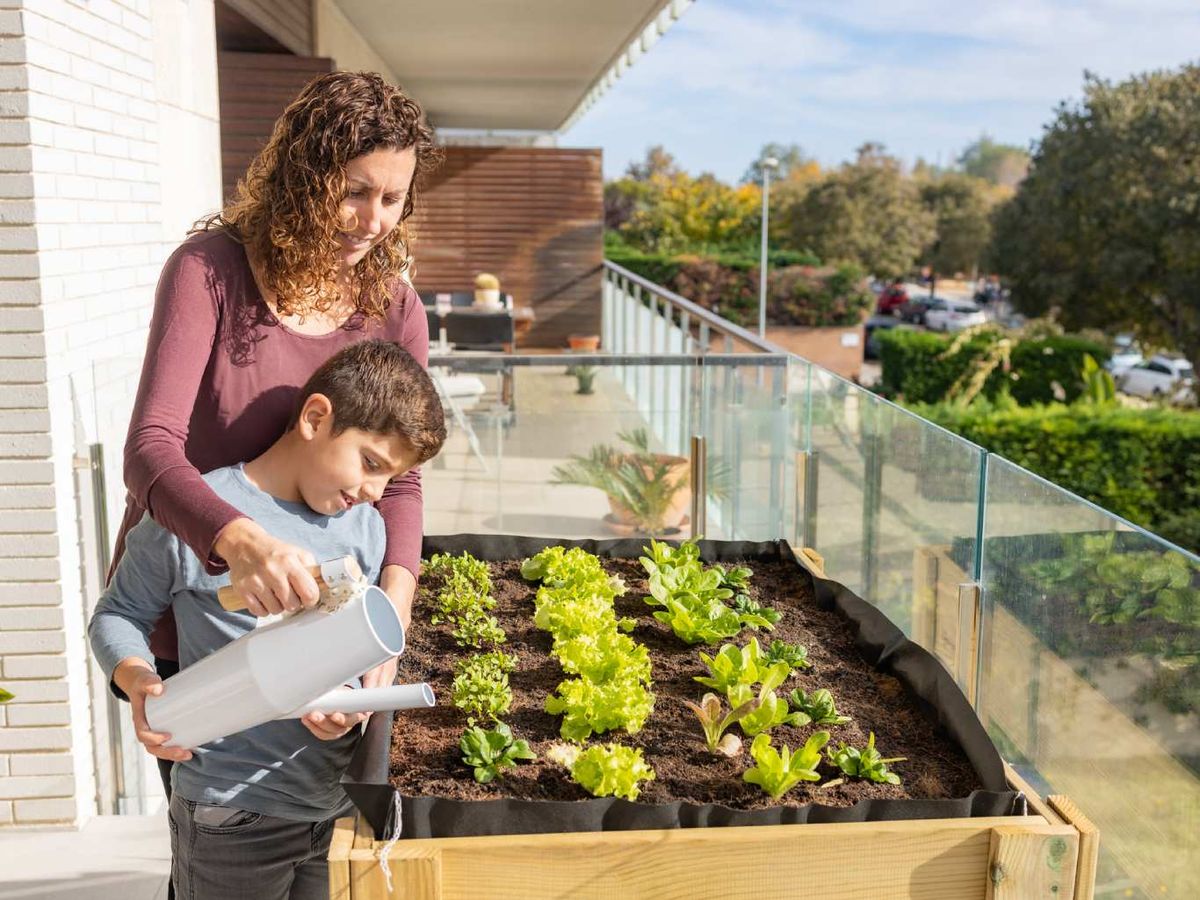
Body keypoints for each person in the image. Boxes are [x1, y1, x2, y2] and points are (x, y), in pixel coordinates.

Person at [113, 71, 441, 804]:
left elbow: (406, 482)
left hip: (323, 630)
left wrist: (389, 611)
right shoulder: (210, 272)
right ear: (305, 174)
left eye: (392, 199)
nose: (373, 220)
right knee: (218, 831)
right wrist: (242, 542)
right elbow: (150, 449)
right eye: (356, 191)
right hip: (200, 613)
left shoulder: (395, 307)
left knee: (304, 836)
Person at [90, 341, 447, 900]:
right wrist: (137, 679)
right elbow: (118, 614)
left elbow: (349, 649)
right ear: (315, 417)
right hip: (230, 813)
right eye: (371, 463)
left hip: (332, 811)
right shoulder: (200, 514)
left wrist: (347, 703)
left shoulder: (366, 531)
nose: (374, 492)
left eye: (389, 478)